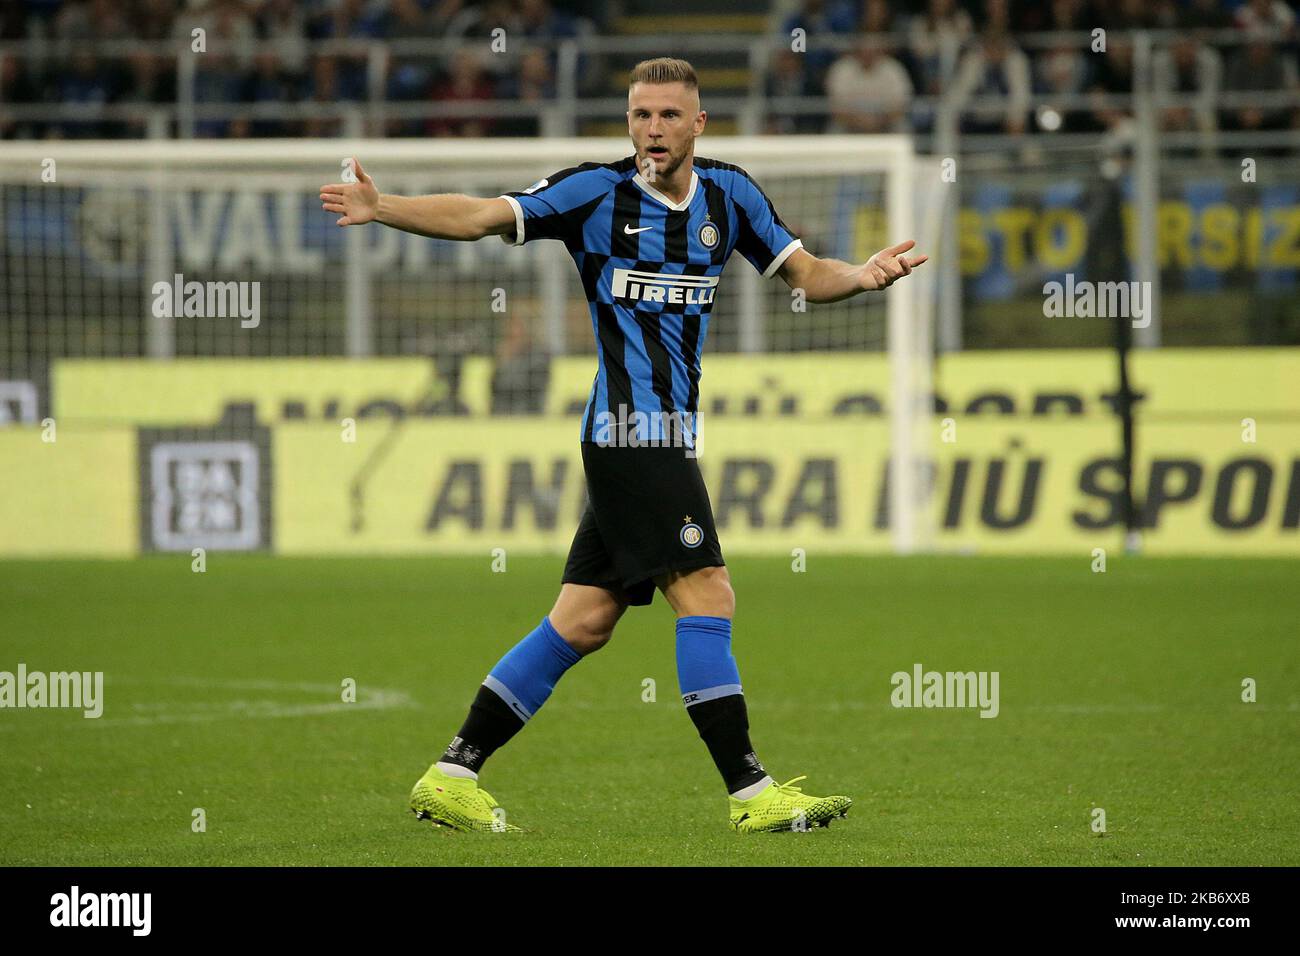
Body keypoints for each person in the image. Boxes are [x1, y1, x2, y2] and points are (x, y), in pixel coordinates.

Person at [319, 56, 926, 834]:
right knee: (708, 594)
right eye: (640, 115)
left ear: (698, 124)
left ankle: (452, 773)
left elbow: (804, 273)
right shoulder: (594, 194)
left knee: (584, 618)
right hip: (628, 434)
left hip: (667, 435)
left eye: (669, 115)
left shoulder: (731, 196)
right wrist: (384, 206)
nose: (652, 129)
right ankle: (752, 793)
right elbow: (478, 216)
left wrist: (865, 275)